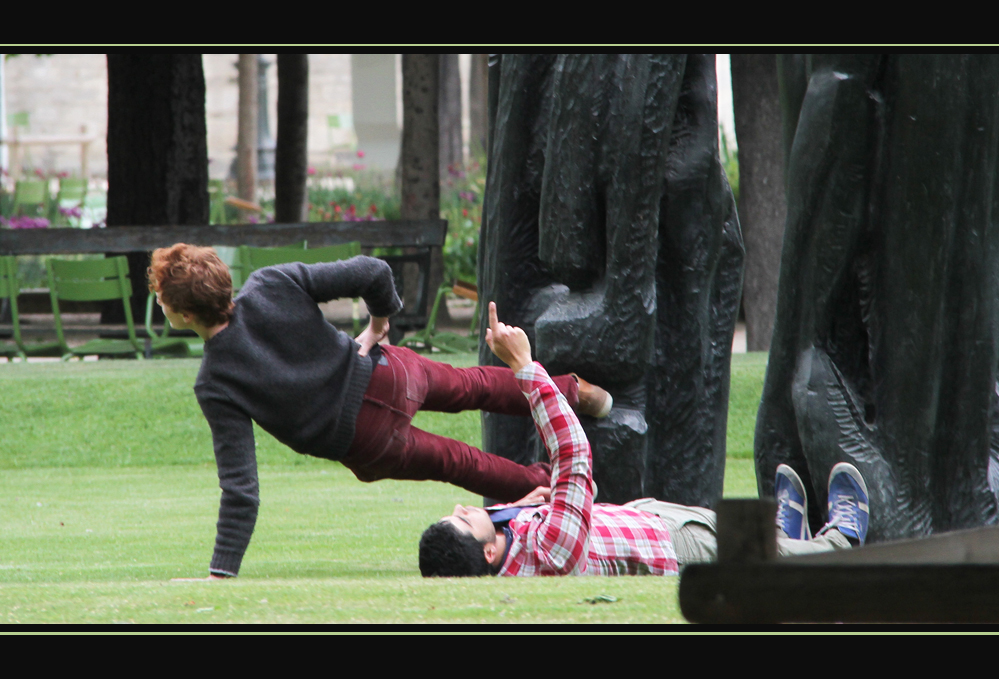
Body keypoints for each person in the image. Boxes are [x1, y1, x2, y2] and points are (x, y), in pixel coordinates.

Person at [148, 244, 614, 580]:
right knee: (474, 385)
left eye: (162, 299)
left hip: (367, 441)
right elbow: (372, 271)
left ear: (183, 314)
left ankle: (559, 494)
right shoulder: (270, 283)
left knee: (464, 464)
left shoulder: (215, 382)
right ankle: (575, 391)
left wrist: (220, 573)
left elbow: (241, 489)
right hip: (385, 373)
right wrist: (378, 322)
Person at [418, 305, 871, 576]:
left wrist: (539, 504)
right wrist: (525, 368)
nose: (462, 508)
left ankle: (785, 536)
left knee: (747, 537)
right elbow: (573, 453)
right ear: (489, 552)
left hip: (642, 519)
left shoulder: (511, 547)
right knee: (754, 559)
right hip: (671, 548)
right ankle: (840, 546)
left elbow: (559, 504)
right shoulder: (550, 555)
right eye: (463, 521)